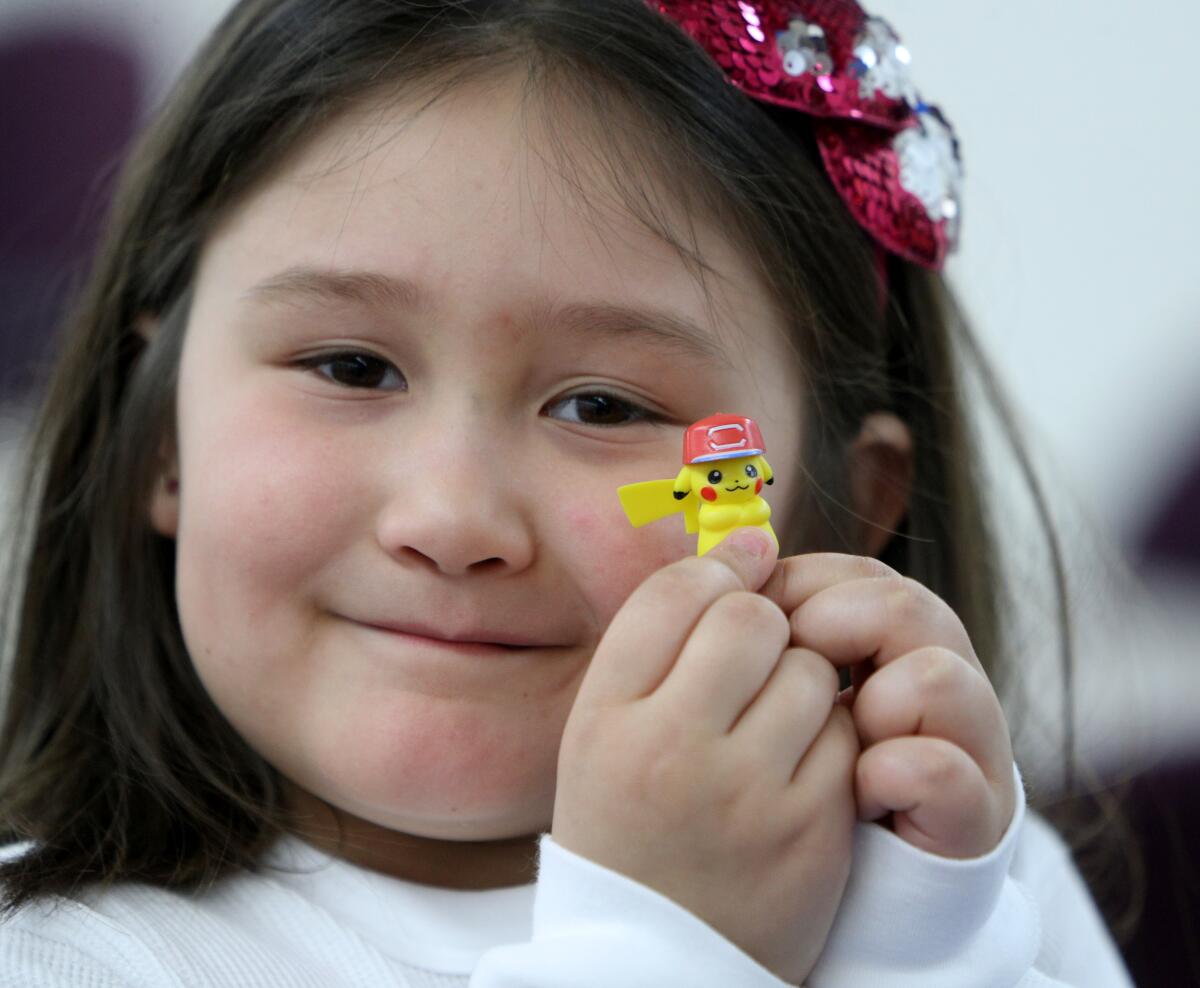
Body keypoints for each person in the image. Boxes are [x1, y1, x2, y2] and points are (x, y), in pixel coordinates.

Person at [0, 1, 1134, 985]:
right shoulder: (55, 954)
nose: (450, 521)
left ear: (834, 508)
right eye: (352, 368)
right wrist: (666, 953)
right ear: (164, 443)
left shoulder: (973, 879)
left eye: (603, 407)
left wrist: (912, 951)